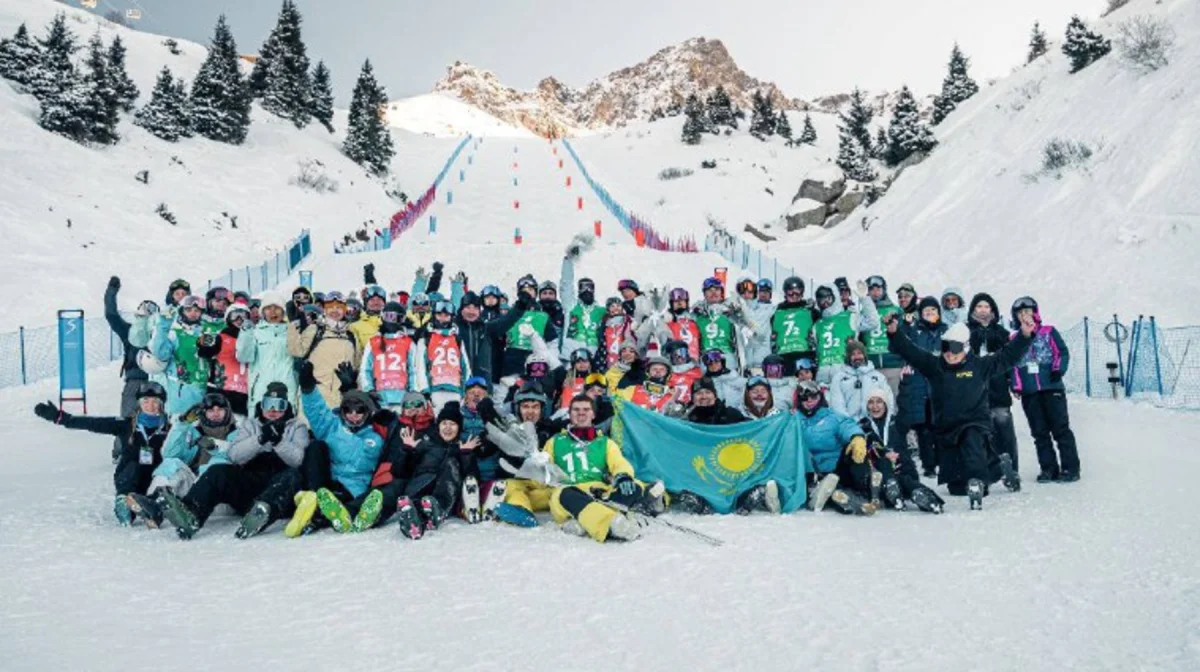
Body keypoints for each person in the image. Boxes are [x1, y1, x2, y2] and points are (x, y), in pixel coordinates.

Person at [886, 310, 1036, 509]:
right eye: (946, 348)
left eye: (955, 349)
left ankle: (977, 481)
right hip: (946, 428)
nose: (950, 354)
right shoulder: (934, 366)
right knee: (956, 487)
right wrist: (894, 331)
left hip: (974, 423)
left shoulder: (980, 366)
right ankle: (997, 467)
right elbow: (910, 351)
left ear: (965, 348)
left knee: (973, 449)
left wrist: (1024, 335)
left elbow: (1007, 356)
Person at [152, 383, 312, 539]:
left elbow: (298, 459)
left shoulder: (297, 427)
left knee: (292, 476)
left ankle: (262, 512)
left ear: (287, 407)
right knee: (218, 471)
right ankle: (191, 514)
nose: (272, 410)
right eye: (268, 404)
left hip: (278, 487)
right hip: (252, 482)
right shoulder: (251, 425)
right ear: (261, 405)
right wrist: (260, 440)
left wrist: (279, 442)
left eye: (279, 405)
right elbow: (235, 455)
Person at [33, 381, 172, 526]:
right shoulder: (126, 424)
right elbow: (93, 423)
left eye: (155, 401)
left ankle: (156, 508)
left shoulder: (170, 428)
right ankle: (125, 504)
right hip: (130, 480)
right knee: (132, 464)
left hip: (154, 480)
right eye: (146, 401)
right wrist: (61, 418)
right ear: (139, 403)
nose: (150, 405)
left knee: (169, 468)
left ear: (162, 403)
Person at [282, 361, 384, 537]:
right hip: (326, 482)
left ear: (367, 412)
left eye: (359, 410)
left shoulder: (373, 438)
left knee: (346, 499)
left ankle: (321, 514)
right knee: (316, 446)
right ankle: (313, 500)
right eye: (348, 409)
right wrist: (308, 388)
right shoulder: (333, 426)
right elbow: (317, 411)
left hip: (352, 488)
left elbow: (361, 461)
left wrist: (339, 433)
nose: (353, 414)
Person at [545, 396, 649, 542]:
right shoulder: (554, 441)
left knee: (635, 485)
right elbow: (544, 468)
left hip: (598, 491)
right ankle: (612, 523)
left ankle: (584, 522)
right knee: (563, 494)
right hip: (571, 491)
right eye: (576, 409)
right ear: (569, 413)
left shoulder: (605, 442)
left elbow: (618, 461)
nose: (581, 413)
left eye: (586, 409)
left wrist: (623, 476)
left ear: (593, 414)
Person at [673, 378, 780, 516]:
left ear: (715, 395)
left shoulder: (729, 413)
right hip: (700, 468)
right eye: (699, 393)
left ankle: (747, 499)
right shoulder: (686, 417)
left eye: (707, 392)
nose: (703, 396)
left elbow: (753, 429)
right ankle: (699, 502)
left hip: (727, 466)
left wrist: (778, 424)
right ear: (693, 397)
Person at [1009, 296, 1081, 483]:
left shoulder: (1048, 332)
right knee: (1039, 432)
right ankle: (1048, 468)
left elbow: (1062, 352)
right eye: (1021, 313)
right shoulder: (1014, 339)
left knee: (1060, 428)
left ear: (1035, 313)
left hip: (1051, 387)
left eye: (1028, 311)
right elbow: (1013, 364)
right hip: (1030, 391)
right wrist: (1016, 385)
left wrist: (1058, 369)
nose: (1025, 316)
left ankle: (1070, 468)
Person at [859, 386, 946, 513]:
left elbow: (906, 406)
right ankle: (893, 488)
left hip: (903, 469)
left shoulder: (897, 421)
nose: (875, 406)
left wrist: (906, 384)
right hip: (879, 474)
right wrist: (884, 454)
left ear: (886, 404)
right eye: (871, 402)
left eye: (879, 402)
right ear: (866, 406)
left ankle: (926, 497)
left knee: (905, 478)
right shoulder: (863, 426)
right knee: (884, 464)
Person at [794, 380, 875, 515]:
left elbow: (847, 425)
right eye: (804, 399)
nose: (809, 401)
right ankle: (833, 496)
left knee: (855, 450)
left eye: (813, 397)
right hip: (812, 472)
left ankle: (863, 491)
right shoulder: (793, 420)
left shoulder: (832, 416)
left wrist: (856, 436)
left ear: (820, 397)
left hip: (836, 468)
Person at [967, 293, 1021, 480]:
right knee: (980, 430)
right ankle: (987, 469)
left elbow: (1012, 360)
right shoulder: (965, 331)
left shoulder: (1001, 333)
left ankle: (1011, 469)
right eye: (979, 306)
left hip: (998, 387)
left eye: (986, 307)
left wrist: (1014, 383)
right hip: (974, 388)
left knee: (1003, 423)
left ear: (992, 310)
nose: (982, 310)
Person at [151, 392, 238, 500]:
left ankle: (190, 508)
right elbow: (169, 453)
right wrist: (182, 424)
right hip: (193, 485)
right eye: (211, 411)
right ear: (203, 413)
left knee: (215, 464)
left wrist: (214, 447)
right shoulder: (194, 432)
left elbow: (237, 455)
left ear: (227, 411)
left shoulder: (237, 432)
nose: (216, 414)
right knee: (171, 464)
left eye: (220, 410)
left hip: (219, 494)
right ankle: (155, 500)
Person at [895, 296, 946, 478]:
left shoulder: (945, 331)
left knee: (940, 425)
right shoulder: (915, 330)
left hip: (940, 385)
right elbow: (900, 344)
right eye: (926, 312)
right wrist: (905, 326)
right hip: (919, 383)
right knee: (923, 428)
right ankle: (929, 465)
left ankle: (943, 461)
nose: (930, 314)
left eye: (933, 311)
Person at [150, 295, 220, 415]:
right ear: (181, 311)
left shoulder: (207, 333)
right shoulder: (174, 333)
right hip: (179, 393)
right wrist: (163, 326)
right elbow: (161, 354)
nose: (193, 313)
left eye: (197, 310)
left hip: (203, 391)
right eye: (188, 310)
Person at [288, 290, 359, 409]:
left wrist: (352, 384)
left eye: (339, 307)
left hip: (341, 399)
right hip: (316, 396)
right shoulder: (316, 329)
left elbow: (357, 365)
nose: (335, 311)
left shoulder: (351, 335)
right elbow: (297, 351)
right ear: (325, 310)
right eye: (330, 307)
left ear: (345, 309)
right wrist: (293, 325)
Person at [237, 291, 297, 411]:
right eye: (268, 308)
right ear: (263, 312)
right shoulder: (255, 332)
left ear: (283, 311)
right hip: (261, 389)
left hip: (287, 388)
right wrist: (246, 334)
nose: (273, 312)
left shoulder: (292, 332)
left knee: (287, 424)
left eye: (277, 308)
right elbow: (244, 357)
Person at [811, 281, 880, 385]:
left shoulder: (850, 317)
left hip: (846, 373)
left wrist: (864, 298)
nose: (824, 304)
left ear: (834, 297)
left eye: (828, 299)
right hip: (823, 376)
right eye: (821, 300)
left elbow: (873, 322)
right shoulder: (817, 325)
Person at [197, 303, 251, 416]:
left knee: (240, 423)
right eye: (235, 315)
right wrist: (203, 345)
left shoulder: (252, 338)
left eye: (243, 316)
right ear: (228, 318)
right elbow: (205, 353)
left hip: (244, 391)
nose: (239, 319)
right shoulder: (221, 337)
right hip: (222, 389)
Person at [421, 300, 472, 412]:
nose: (442, 318)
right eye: (439, 315)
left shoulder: (457, 339)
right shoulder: (427, 338)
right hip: (435, 389)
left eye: (446, 315)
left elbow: (465, 366)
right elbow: (420, 366)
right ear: (434, 315)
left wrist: (465, 390)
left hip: (455, 389)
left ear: (451, 317)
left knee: (453, 422)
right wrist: (425, 390)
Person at [862, 275, 905, 396]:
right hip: (871, 367)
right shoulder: (863, 312)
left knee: (894, 404)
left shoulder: (896, 310)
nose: (875, 293)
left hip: (893, 366)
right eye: (871, 290)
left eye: (878, 289)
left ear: (884, 290)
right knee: (874, 403)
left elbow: (905, 338)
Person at [828, 339, 889, 421]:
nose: (857, 357)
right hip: (850, 424)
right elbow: (837, 405)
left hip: (874, 422)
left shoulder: (877, 376)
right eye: (853, 354)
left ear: (865, 355)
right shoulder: (839, 378)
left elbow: (887, 400)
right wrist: (849, 424)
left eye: (860, 353)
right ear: (848, 357)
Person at [770, 276, 821, 375]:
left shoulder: (810, 311)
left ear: (802, 293)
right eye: (790, 292)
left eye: (797, 292)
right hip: (783, 355)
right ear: (785, 293)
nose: (794, 296)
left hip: (805, 354)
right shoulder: (776, 312)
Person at [694, 277, 744, 374]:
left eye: (717, 289)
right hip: (706, 360)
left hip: (727, 358)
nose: (713, 293)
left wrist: (740, 311)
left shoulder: (731, 312)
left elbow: (751, 329)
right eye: (709, 290)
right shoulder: (697, 314)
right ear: (704, 294)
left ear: (721, 292)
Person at [736, 277, 776, 373]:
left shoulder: (771, 309)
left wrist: (743, 308)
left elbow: (757, 330)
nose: (763, 294)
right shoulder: (752, 308)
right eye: (761, 291)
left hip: (762, 359)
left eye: (766, 292)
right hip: (748, 360)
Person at [455, 291, 493, 386]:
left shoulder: (485, 328)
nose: (471, 312)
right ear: (461, 309)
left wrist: (520, 307)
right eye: (468, 307)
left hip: (482, 382)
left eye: (475, 308)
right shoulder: (453, 329)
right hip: (458, 381)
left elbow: (507, 320)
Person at [663, 339, 703, 405]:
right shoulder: (665, 373)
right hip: (670, 406)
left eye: (683, 353)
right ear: (669, 357)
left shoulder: (697, 371)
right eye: (675, 355)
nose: (680, 358)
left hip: (692, 406)